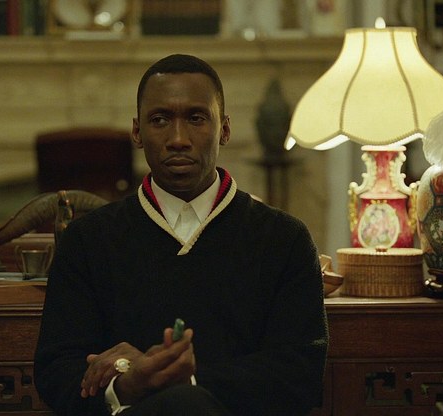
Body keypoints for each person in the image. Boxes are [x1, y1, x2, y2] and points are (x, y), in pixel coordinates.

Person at [34, 54, 328, 416]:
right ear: (137, 132)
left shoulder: (284, 239)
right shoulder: (87, 240)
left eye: (196, 118)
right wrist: (123, 385)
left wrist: (178, 382)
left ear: (225, 130)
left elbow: (299, 375)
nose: (177, 139)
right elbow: (56, 373)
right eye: (160, 120)